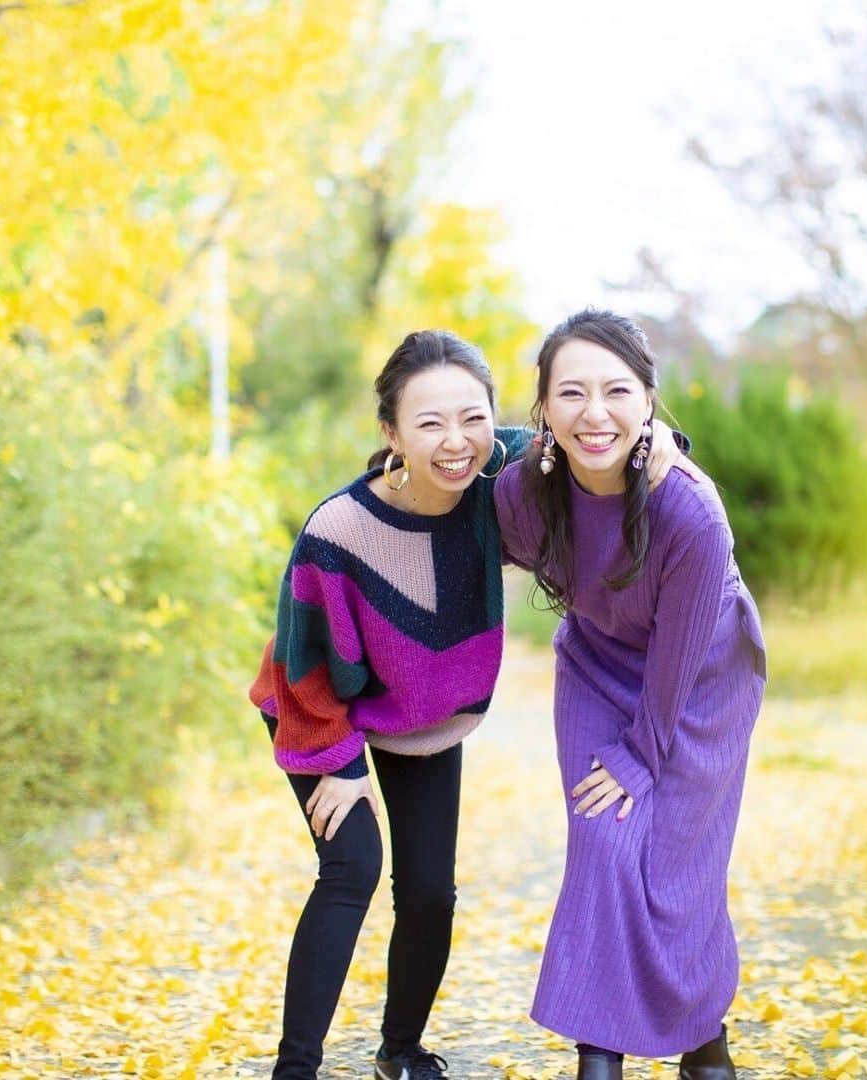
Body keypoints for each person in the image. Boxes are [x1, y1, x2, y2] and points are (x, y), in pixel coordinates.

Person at [249, 328, 689, 1080]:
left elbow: (588, 439)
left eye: (472, 417)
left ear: (497, 418)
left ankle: (400, 1049)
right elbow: (303, 659)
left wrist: (665, 442)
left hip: (423, 715)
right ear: (390, 432)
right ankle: (294, 1069)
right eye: (428, 423)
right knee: (352, 866)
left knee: (429, 892)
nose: (456, 442)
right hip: (318, 707)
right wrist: (337, 763)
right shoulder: (339, 530)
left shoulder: (502, 484)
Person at [493, 310, 767, 1080]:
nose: (595, 412)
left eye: (616, 391)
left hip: (702, 678)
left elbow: (680, 659)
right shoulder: (524, 494)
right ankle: (599, 1049)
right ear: (543, 407)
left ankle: (702, 1036)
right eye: (571, 393)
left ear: (648, 400)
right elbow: (458, 508)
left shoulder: (690, 512)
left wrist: (646, 754)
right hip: (597, 663)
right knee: (604, 835)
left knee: (680, 864)